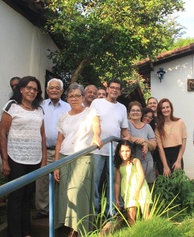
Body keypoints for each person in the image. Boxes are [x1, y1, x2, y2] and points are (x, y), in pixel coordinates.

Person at [0, 76, 47, 237]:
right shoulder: (12, 107)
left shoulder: (39, 109)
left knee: (27, 196)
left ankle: (26, 232)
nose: (32, 91)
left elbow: (42, 135)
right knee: (16, 197)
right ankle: (15, 233)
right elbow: (2, 133)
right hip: (15, 157)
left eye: (35, 89)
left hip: (34, 158)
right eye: (29, 88)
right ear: (21, 89)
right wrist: (5, 160)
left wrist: (44, 159)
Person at [54, 83, 103, 237]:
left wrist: (96, 136)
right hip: (64, 158)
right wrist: (56, 165)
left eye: (77, 95)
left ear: (83, 97)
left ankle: (77, 230)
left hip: (82, 158)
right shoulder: (63, 117)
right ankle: (66, 227)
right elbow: (59, 142)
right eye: (71, 96)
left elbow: (96, 127)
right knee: (65, 195)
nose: (74, 98)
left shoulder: (90, 112)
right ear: (67, 98)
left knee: (78, 195)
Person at [90, 78, 131, 215]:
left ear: (120, 92)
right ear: (107, 89)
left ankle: (110, 211)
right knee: (94, 182)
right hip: (97, 150)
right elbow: (93, 122)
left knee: (113, 182)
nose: (114, 90)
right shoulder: (97, 103)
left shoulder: (122, 108)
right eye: (112, 87)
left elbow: (124, 129)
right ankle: (94, 212)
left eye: (117, 89)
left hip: (114, 151)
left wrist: (129, 138)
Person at [34, 78, 70, 220]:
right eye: (51, 88)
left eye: (57, 88)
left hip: (63, 150)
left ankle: (59, 210)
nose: (54, 90)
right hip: (43, 149)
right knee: (42, 181)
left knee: (61, 179)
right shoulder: (40, 106)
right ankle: (43, 210)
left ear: (61, 91)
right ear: (47, 90)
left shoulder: (68, 107)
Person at [114, 140, 152, 226]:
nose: (125, 153)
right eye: (122, 151)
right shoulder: (118, 166)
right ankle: (133, 232)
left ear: (131, 151)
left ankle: (151, 230)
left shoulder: (135, 161)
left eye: (127, 151)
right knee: (131, 214)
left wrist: (137, 191)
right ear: (118, 152)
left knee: (146, 213)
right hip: (128, 191)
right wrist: (116, 198)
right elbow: (117, 183)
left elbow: (142, 176)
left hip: (141, 188)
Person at [155, 98, 187, 177]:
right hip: (164, 157)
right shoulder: (158, 127)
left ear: (171, 108)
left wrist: (178, 161)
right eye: (163, 108)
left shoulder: (180, 122)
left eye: (167, 107)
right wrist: (165, 166)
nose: (165, 109)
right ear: (160, 110)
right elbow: (160, 148)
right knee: (166, 184)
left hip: (177, 155)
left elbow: (183, 143)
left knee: (178, 183)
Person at [128, 101, 157, 188]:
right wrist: (140, 141)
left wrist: (145, 141)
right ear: (129, 113)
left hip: (146, 161)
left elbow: (154, 144)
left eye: (138, 110)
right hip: (130, 161)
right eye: (133, 110)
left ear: (141, 113)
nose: (135, 112)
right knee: (133, 186)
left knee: (148, 186)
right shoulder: (126, 123)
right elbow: (127, 137)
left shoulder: (147, 127)